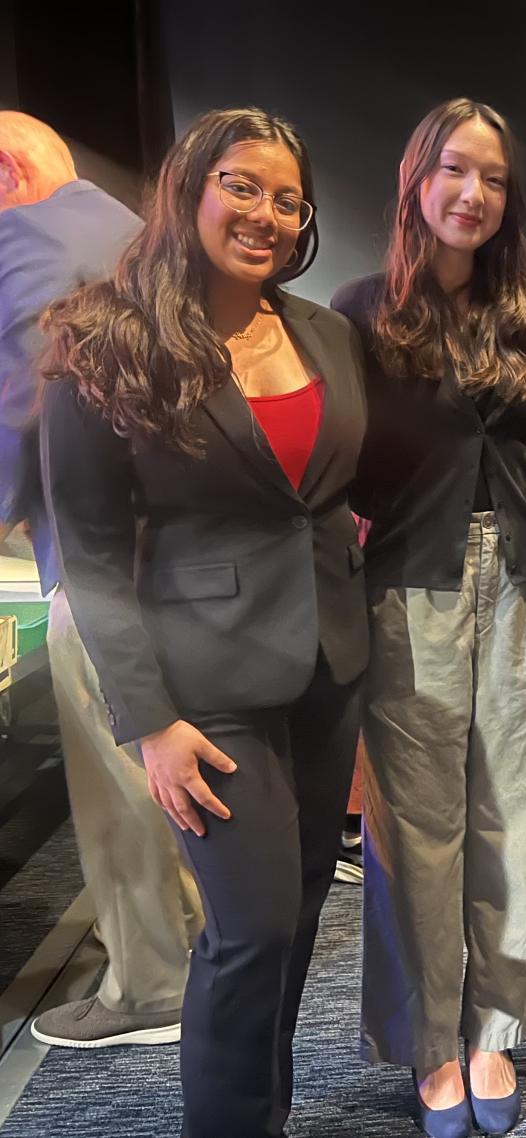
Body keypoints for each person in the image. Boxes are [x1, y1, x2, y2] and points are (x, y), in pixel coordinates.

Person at [40, 107, 369, 1138]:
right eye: (242, 185)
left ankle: (262, 1116)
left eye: (287, 199)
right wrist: (149, 721)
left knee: (297, 916)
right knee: (250, 928)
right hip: (202, 685)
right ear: (189, 188)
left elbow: (329, 500)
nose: (266, 213)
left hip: (327, 664)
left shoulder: (324, 333)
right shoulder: (105, 338)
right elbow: (92, 554)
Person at [332, 97, 526, 1138]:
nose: (474, 193)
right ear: (416, 180)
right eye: (455, 170)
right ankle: (429, 1041)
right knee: (416, 827)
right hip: (405, 580)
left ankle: (494, 1028)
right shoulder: (359, 311)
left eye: (495, 178)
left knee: (516, 808)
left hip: (522, 576)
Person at [0, 110, 203, 1048]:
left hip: (97, 563)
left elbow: (22, 408)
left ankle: (153, 984)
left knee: (120, 782)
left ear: (7, 171)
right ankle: (196, 944)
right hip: (183, 553)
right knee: (164, 767)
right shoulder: (129, 230)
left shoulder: (28, 242)